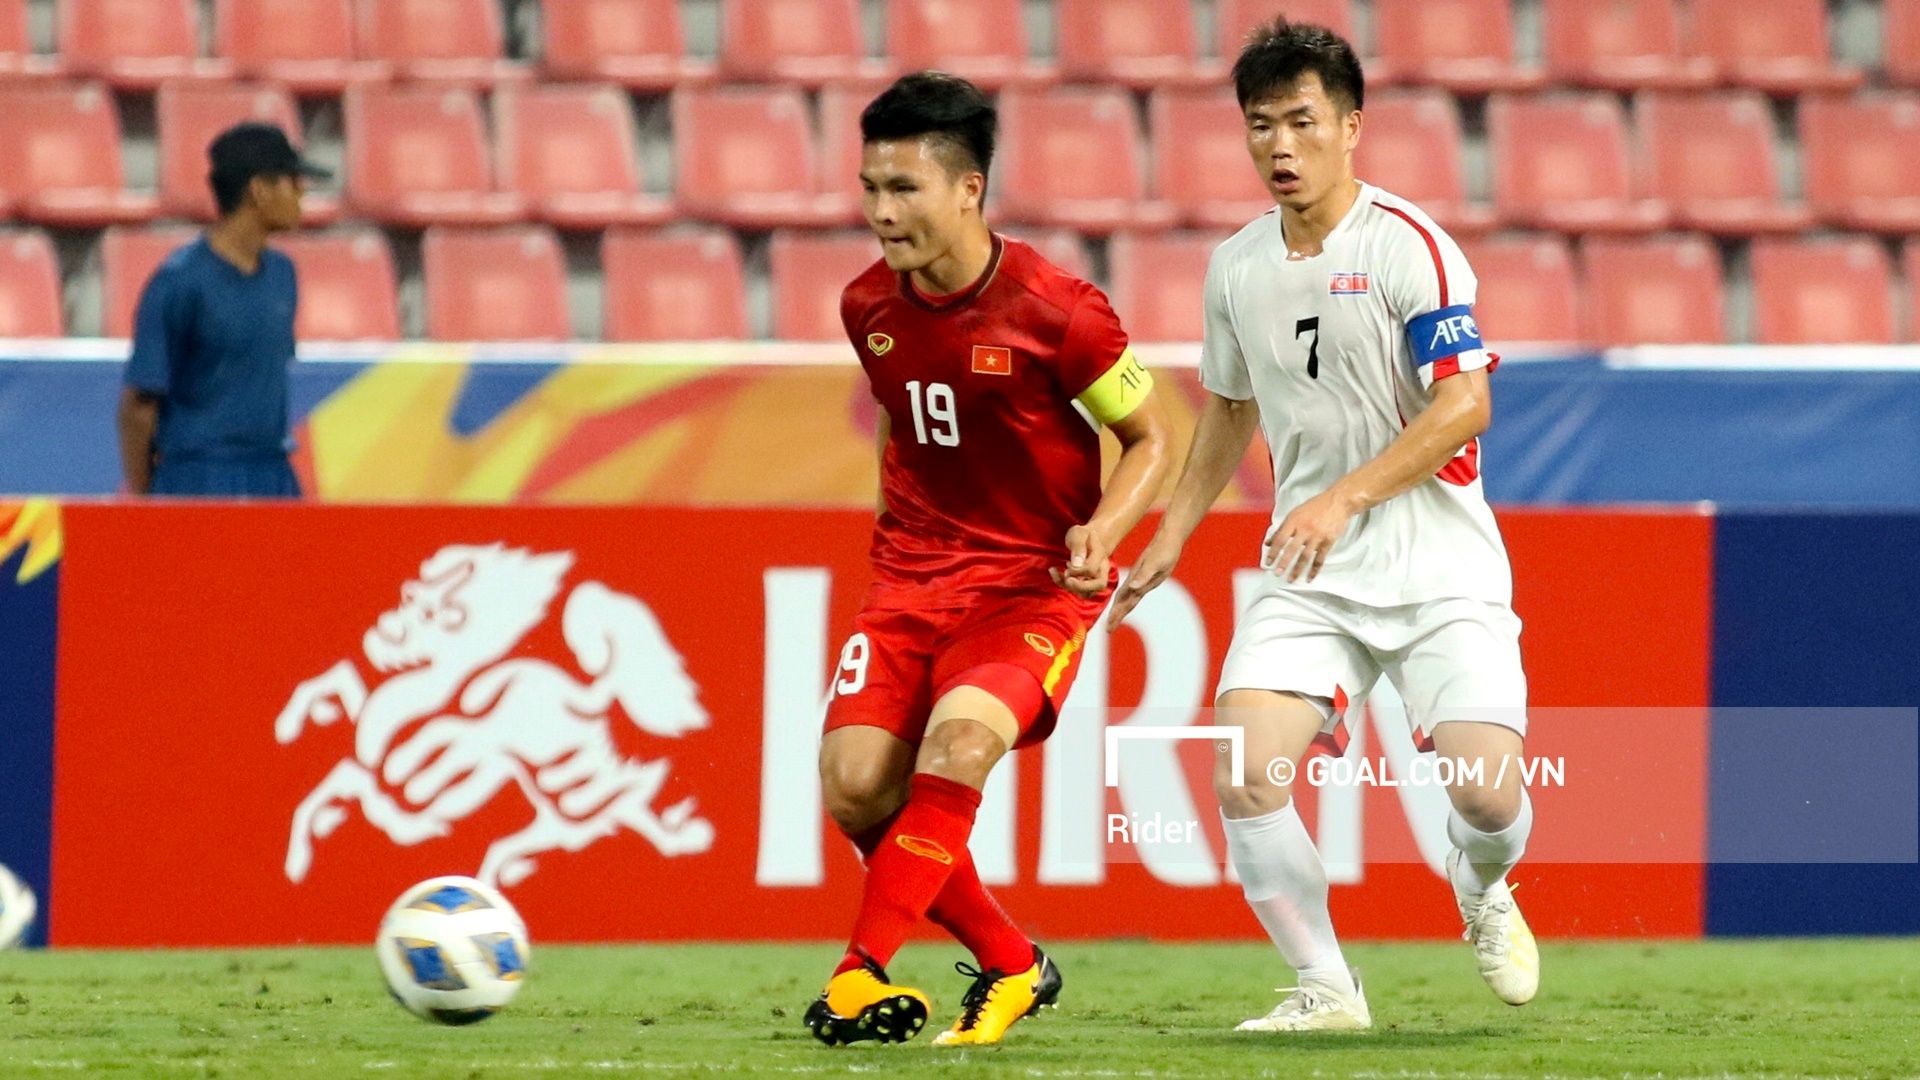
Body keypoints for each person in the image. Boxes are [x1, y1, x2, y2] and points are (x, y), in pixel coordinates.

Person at [1108, 19, 1539, 1032]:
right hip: (1314, 573)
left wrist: (1346, 494)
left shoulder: (1413, 248)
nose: (1280, 147)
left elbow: (1465, 405)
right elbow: (1228, 406)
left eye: (1302, 122)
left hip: (1438, 568)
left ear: (1352, 126)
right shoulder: (1236, 267)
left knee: (1485, 797)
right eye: (1261, 127)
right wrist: (1172, 532)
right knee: (1244, 769)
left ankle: (1482, 884)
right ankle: (1326, 988)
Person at [804, 72, 1173, 1048]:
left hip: (1027, 589)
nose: (882, 212)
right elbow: (912, 435)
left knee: (958, 746)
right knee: (853, 786)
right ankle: (1013, 963)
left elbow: (1151, 439)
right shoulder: (865, 306)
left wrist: (1104, 530)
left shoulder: (1063, 311)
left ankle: (856, 975)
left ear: (968, 189)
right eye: (870, 187)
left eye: (905, 189)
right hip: (908, 584)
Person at [118, 122, 327, 498]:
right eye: (292, 180)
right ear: (258, 191)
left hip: (273, 475)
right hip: (198, 478)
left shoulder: (283, 273)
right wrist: (146, 499)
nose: (301, 192)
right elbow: (139, 405)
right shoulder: (179, 282)